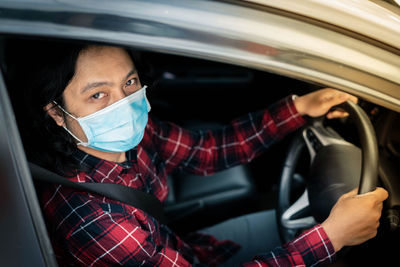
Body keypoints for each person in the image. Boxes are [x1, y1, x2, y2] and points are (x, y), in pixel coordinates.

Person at [5, 40, 388, 267]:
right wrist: (332, 236)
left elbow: (208, 151)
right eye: (97, 95)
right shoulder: (93, 220)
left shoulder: (126, 133)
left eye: (130, 82)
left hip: (186, 248)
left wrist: (298, 108)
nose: (123, 103)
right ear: (55, 112)